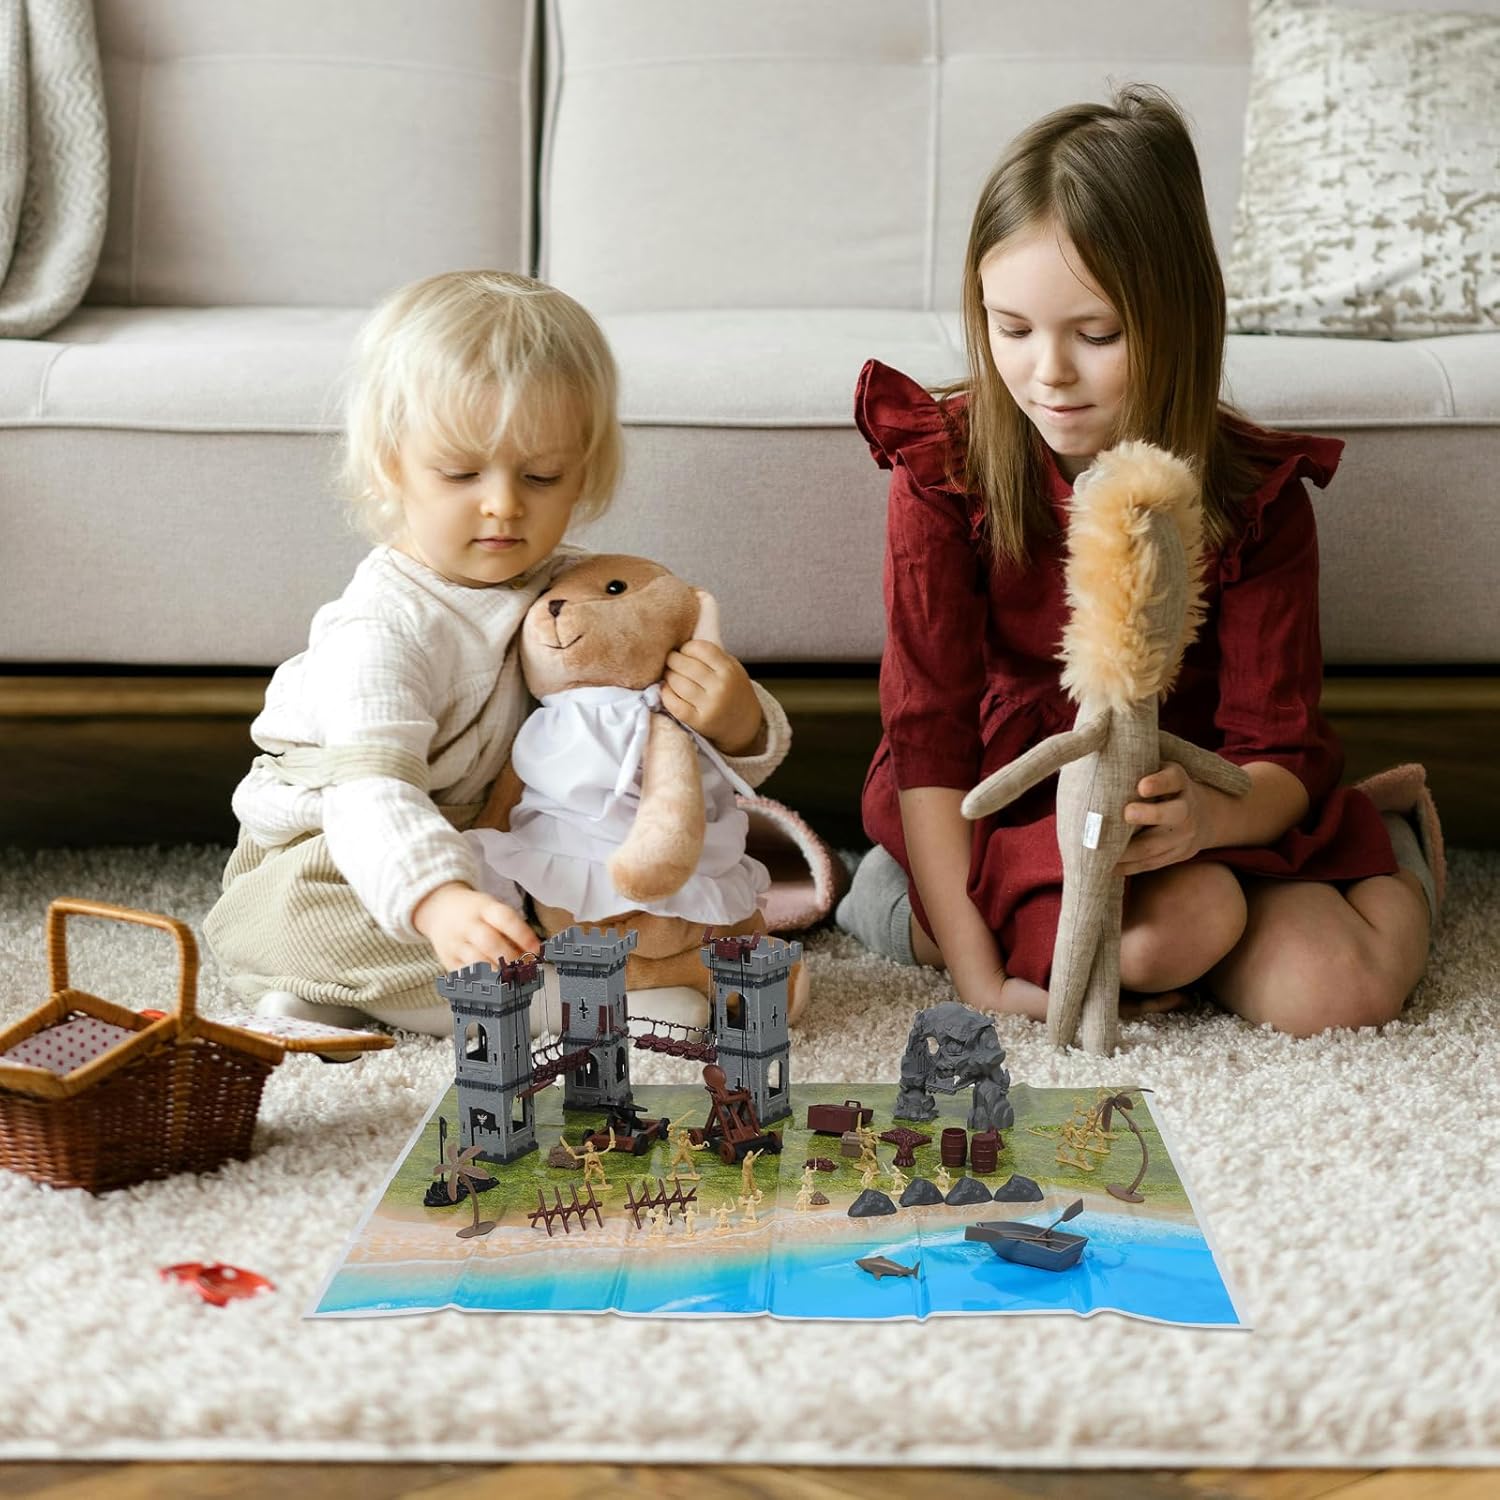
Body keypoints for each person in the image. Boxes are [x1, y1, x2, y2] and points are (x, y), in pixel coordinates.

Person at [836, 86, 1436, 1038]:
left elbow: (1275, 745)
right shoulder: (945, 470)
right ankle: (914, 897)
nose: (1048, 372)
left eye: (1098, 334)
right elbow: (929, 735)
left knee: (1336, 994)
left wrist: (1211, 820)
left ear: (1177, 318)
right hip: (1016, 798)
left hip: (1209, 790)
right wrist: (975, 972)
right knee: (1168, 938)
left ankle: (1391, 842)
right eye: (1012, 328)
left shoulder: (1255, 497)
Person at [205, 270, 789, 1037]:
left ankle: (342, 999)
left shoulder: (572, 588)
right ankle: (558, 1003)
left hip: (499, 840)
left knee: (611, 890)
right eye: (461, 473)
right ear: (390, 463)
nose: (505, 504)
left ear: (583, 473)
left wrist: (738, 722)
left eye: (542, 476)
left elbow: (649, 714)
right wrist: (439, 901)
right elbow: (369, 797)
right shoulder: (381, 625)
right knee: (321, 920)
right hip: (351, 849)